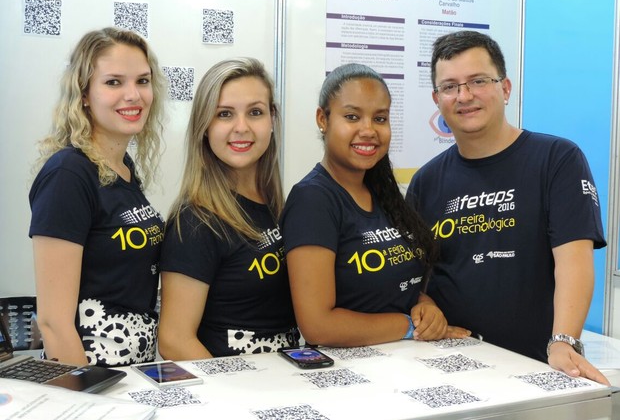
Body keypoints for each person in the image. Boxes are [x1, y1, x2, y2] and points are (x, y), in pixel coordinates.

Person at [405, 30, 609, 385]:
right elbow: (411, 274)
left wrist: (563, 342)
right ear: (438, 100)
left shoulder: (557, 160)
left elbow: (574, 262)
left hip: (536, 366)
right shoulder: (426, 181)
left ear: (506, 88)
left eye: (478, 81)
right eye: (450, 86)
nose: (464, 96)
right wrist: (425, 303)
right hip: (449, 365)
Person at [281, 63, 469, 347]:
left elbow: (388, 287)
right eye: (352, 116)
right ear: (323, 119)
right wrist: (408, 324)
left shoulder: (383, 193)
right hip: (352, 377)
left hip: (401, 366)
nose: (368, 130)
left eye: (380, 119)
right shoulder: (313, 200)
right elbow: (318, 326)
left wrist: (425, 305)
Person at [29, 27, 166, 367]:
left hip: (133, 374)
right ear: (84, 94)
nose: (133, 95)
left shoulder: (124, 168)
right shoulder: (68, 175)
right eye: (114, 82)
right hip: (90, 377)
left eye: (143, 81)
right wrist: (87, 399)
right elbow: (53, 322)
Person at [158, 58, 298, 359]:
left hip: (284, 383)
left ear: (272, 120)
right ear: (204, 126)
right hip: (237, 394)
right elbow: (174, 340)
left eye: (255, 112)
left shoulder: (277, 207)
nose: (242, 127)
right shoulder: (195, 223)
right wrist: (232, 399)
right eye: (224, 114)